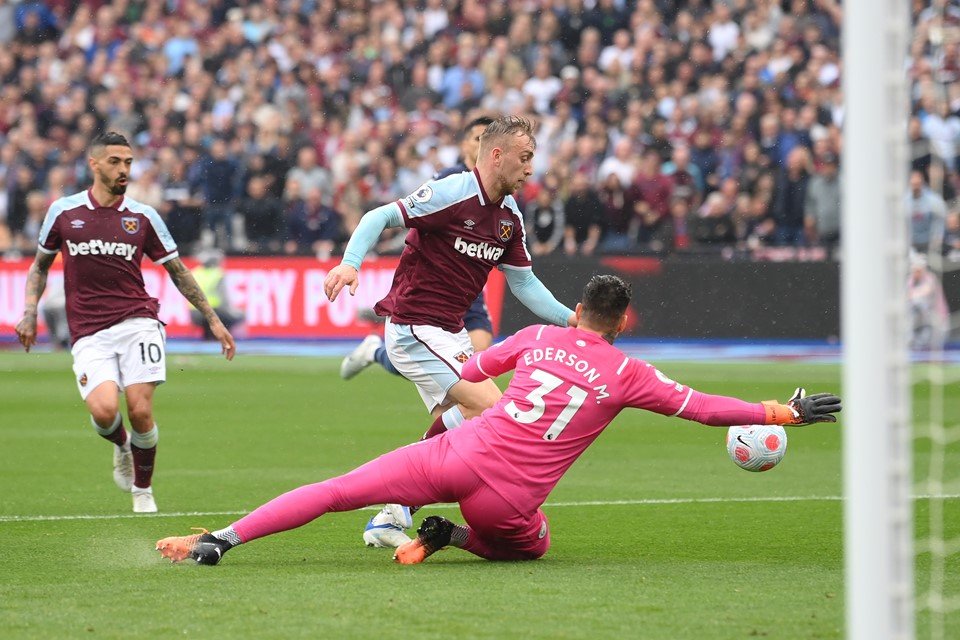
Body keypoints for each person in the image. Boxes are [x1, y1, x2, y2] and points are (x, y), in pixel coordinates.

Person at [155, 274, 842, 566]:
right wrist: (784, 411)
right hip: (507, 498)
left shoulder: (538, 339)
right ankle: (451, 537)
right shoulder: (629, 372)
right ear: (621, 322)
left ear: (575, 312)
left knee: (338, 489)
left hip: (456, 456)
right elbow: (704, 410)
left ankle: (221, 538)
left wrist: (427, 445)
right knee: (534, 547)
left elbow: (464, 382)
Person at [324, 116, 576, 548]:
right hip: (412, 326)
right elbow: (379, 216)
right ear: (497, 156)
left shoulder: (509, 216)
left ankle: (392, 513)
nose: (531, 168)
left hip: (450, 333)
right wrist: (351, 263)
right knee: (497, 411)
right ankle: (394, 501)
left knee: (466, 422)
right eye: (526, 157)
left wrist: (571, 320)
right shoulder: (451, 192)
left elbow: (523, 283)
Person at [14, 132, 237, 514]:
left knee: (140, 410)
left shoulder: (143, 216)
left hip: (138, 321)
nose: (124, 170)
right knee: (103, 411)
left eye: (129, 162)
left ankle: (143, 490)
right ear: (95, 164)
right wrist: (30, 312)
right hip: (87, 330)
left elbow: (178, 271)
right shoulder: (64, 212)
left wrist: (213, 320)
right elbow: (39, 266)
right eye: (116, 162)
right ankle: (122, 446)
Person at [341, 116, 497, 382]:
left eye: (489, 140)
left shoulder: (499, 188)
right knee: (448, 369)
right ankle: (376, 352)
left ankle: (455, 415)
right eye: (477, 138)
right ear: (463, 146)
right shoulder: (449, 180)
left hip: (468, 289)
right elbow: (414, 220)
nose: (483, 144)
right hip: (435, 287)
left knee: (476, 363)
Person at [189, 250, 244, 340]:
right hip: (214, 312)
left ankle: (208, 338)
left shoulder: (195, 272)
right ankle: (226, 340)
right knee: (237, 316)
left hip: (195, 313)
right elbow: (224, 299)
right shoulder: (217, 274)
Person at [908, 252, 950, 351]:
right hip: (919, 320)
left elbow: (923, 292)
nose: (916, 272)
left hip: (937, 318)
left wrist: (910, 295)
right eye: (914, 270)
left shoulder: (930, 279)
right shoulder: (910, 280)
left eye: (918, 270)